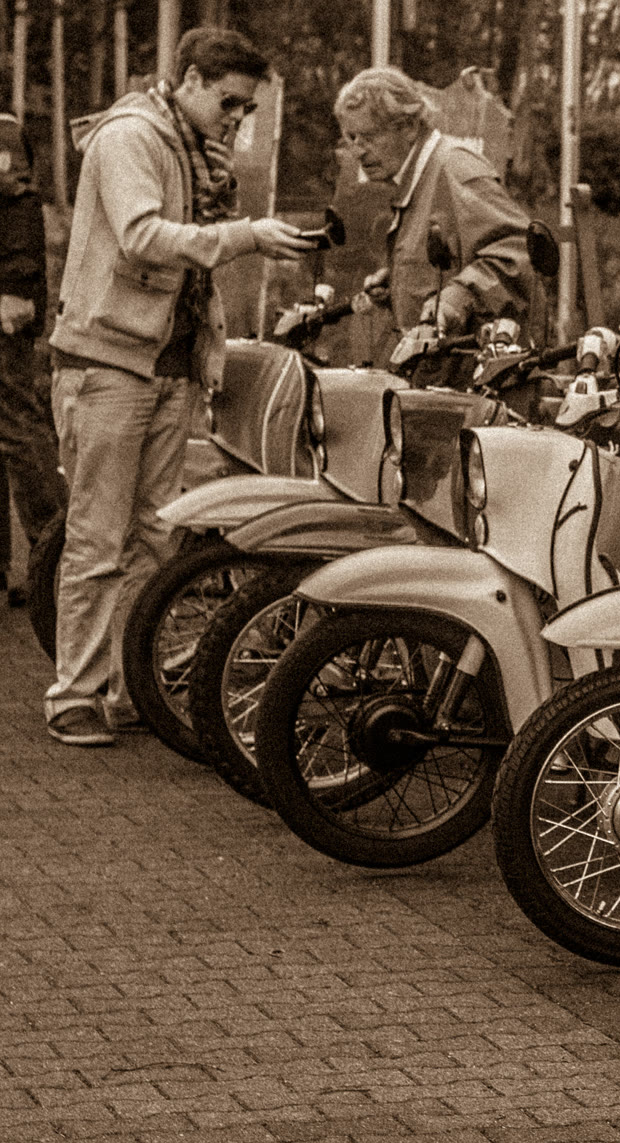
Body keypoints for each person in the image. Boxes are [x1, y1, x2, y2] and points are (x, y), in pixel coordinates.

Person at [45, 26, 314, 746]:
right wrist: (248, 235)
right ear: (189, 79)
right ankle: (73, 694)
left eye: (246, 108)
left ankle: (128, 683)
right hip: (108, 364)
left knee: (154, 540)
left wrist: (209, 343)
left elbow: (188, 264)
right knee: (99, 538)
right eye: (229, 102)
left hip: (167, 366)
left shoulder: (193, 152)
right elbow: (142, 235)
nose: (236, 118)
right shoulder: (130, 137)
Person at [332, 67, 530, 349]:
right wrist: (399, 283)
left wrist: (457, 298)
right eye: (352, 138)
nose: (358, 151)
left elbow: (518, 252)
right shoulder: (417, 178)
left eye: (370, 137)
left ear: (409, 127)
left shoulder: (455, 168)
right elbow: (448, 265)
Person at [0, 112, 65, 609]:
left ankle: (55, 555)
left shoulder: (3, 132)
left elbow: (16, 195)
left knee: (17, 426)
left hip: (5, 303)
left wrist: (16, 290)